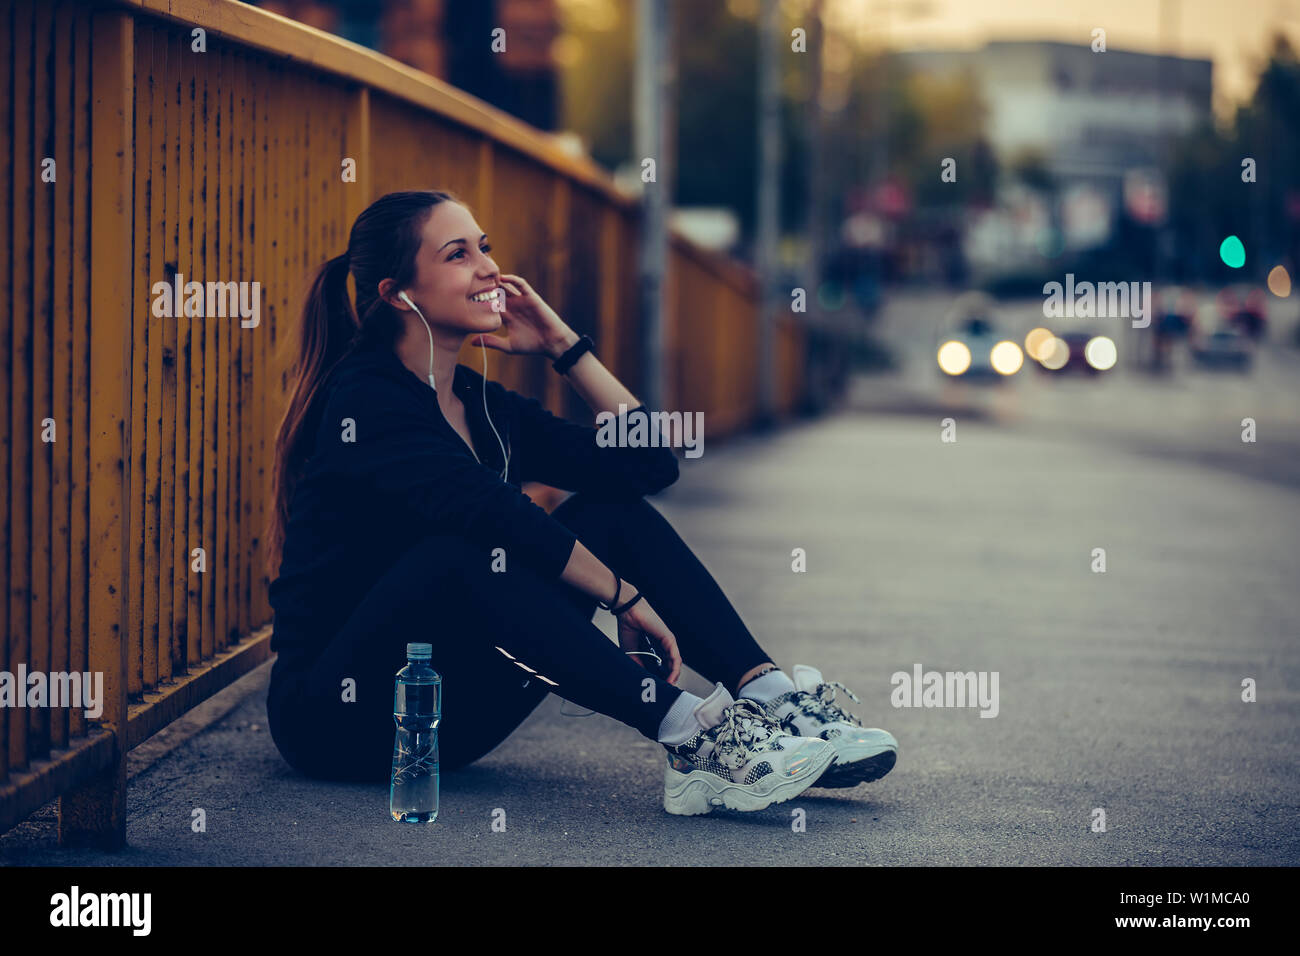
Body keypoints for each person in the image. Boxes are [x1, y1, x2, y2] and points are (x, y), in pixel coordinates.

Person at [264, 189, 898, 815]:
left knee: (604, 512)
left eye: (485, 247)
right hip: (337, 724)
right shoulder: (366, 400)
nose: (489, 267)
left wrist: (563, 346)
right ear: (399, 294)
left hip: (449, 727)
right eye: (458, 255)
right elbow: (493, 513)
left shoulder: (481, 403)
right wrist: (621, 595)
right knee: (460, 551)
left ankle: (774, 700)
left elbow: (645, 464)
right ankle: (698, 740)